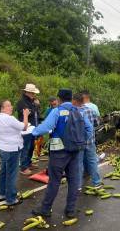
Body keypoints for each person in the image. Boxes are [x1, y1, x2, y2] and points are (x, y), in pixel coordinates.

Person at [31, 89, 93, 218]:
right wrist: (80, 141)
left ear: (59, 99)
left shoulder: (57, 111)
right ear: (71, 99)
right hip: (75, 151)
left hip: (58, 152)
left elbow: (45, 127)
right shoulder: (79, 111)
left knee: (54, 181)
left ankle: (45, 209)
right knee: (74, 180)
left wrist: (33, 132)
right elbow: (89, 128)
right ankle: (70, 210)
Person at [0, 100, 30, 206]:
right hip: (12, 149)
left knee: (4, 172)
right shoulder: (9, 118)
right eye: (8, 106)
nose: (11, 107)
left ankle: (1, 194)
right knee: (12, 174)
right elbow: (24, 127)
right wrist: (25, 115)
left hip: (2, 148)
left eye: (11, 105)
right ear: (2, 108)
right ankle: (11, 199)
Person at [78, 93, 102, 189]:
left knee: (79, 163)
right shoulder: (91, 110)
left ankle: (78, 185)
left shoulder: (74, 111)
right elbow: (97, 123)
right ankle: (96, 182)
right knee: (92, 161)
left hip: (78, 142)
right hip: (90, 141)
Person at [16, 83, 41, 175]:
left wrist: (36, 105)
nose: (34, 95)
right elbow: (27, 113)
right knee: (25, 147)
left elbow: (36, 114)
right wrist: (36, 105)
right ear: (27, 92)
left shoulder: (32, 101)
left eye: (34, 93)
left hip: (33, 128)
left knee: (31, 147)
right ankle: (23, 167)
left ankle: (28, 163)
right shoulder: (22, 102)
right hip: (26, 129)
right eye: (32, 93)